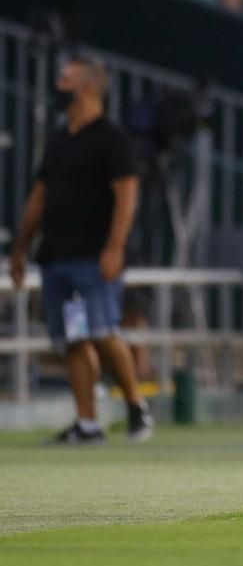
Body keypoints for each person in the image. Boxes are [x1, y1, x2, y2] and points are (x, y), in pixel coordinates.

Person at [8, 55, 152, 445]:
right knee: (73, 337)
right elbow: (39, 196)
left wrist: (115, 247)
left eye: (66, 79)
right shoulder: (59, 138)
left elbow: (126, 194)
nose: (59, 86)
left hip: (94, 256)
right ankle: (87, 423)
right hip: (57, 255)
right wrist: (20, 248)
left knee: (104, 331)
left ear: (88, 86)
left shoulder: (111, 138)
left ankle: (136, 403)